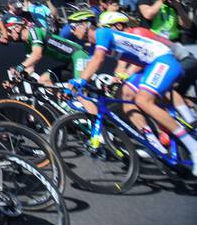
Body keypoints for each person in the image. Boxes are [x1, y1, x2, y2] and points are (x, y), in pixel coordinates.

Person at [76, 11, 197, 174]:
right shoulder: (101, 42)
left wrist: (79, 81)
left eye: (74, 26)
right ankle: (154, 145)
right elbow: (115, 64)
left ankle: (193, 145)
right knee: (125, 96)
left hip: (164, 60)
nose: (71, 30)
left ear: (86, 25)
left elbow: (98, 60)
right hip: (151, 65)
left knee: (143, 100)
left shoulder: (102, 32)